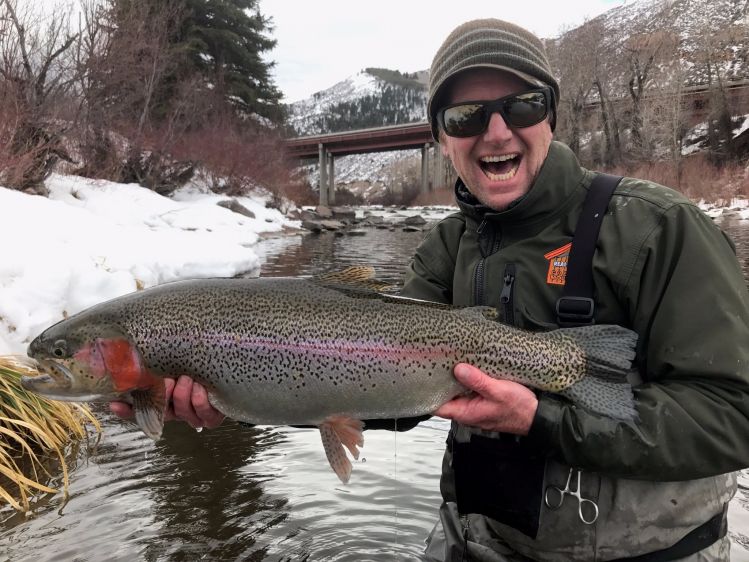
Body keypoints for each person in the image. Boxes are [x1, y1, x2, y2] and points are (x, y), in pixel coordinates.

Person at [113, 18, 749, 561]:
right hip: (480, 540)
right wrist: (243, 394)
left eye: (520, 106)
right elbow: (394, 388)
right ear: (442, 137)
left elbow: (735, 417)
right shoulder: (448, 246)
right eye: (467, 115)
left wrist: (542, 418)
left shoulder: (657, 228)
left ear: (549, 115)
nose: (495, 131)